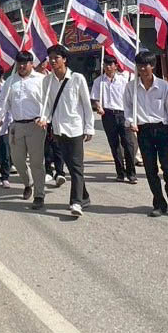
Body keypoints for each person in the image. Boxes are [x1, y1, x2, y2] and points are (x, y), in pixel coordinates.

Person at [40, 44, 95, 217]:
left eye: (56, 58)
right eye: (50, 58)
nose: (52, 61)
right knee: (71, 166)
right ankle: (84, 196)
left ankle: (76, 202)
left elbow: (86, 105)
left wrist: (89, 127)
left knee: (77, 166)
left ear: (64, 59)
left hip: (75, 128)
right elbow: (47, 105)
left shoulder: (77, 79)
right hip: (58, 129)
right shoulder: (47, 81)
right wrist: (44, 118)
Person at [130, 49, 168, 214]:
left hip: (162, 129)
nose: (142, 69)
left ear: (152, 66)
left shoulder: (163, 86)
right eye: (139, 65)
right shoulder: (131, 87)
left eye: (146, 65)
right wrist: (130, 121)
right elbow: (127, 108)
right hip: (143, 130)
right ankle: (159, 203)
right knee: (150, 169)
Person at [2, 49, 48, 204]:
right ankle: (28, 183)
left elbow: (48, 102)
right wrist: (0, 118)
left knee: (36, 162)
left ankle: (39, 195)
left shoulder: (41, 80)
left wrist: (45, 118)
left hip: (36, 125)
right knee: (17, 160)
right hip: (16, 126)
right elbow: (4, 102)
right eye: (19, 63)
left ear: (31, 64)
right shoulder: (10, 81)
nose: (21, 66)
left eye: (25, 63)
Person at [91, 57, 136, 184]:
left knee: (129, 144)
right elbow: (95, 98)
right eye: (106, 64)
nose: (108, 67)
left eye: (110, 64)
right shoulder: (99, 81)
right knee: (114, 145)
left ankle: (131, 173)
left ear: (116, 66)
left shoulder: (124, 79)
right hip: (108, 115)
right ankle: (120, 173)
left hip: (123, 114)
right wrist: (98, 106)